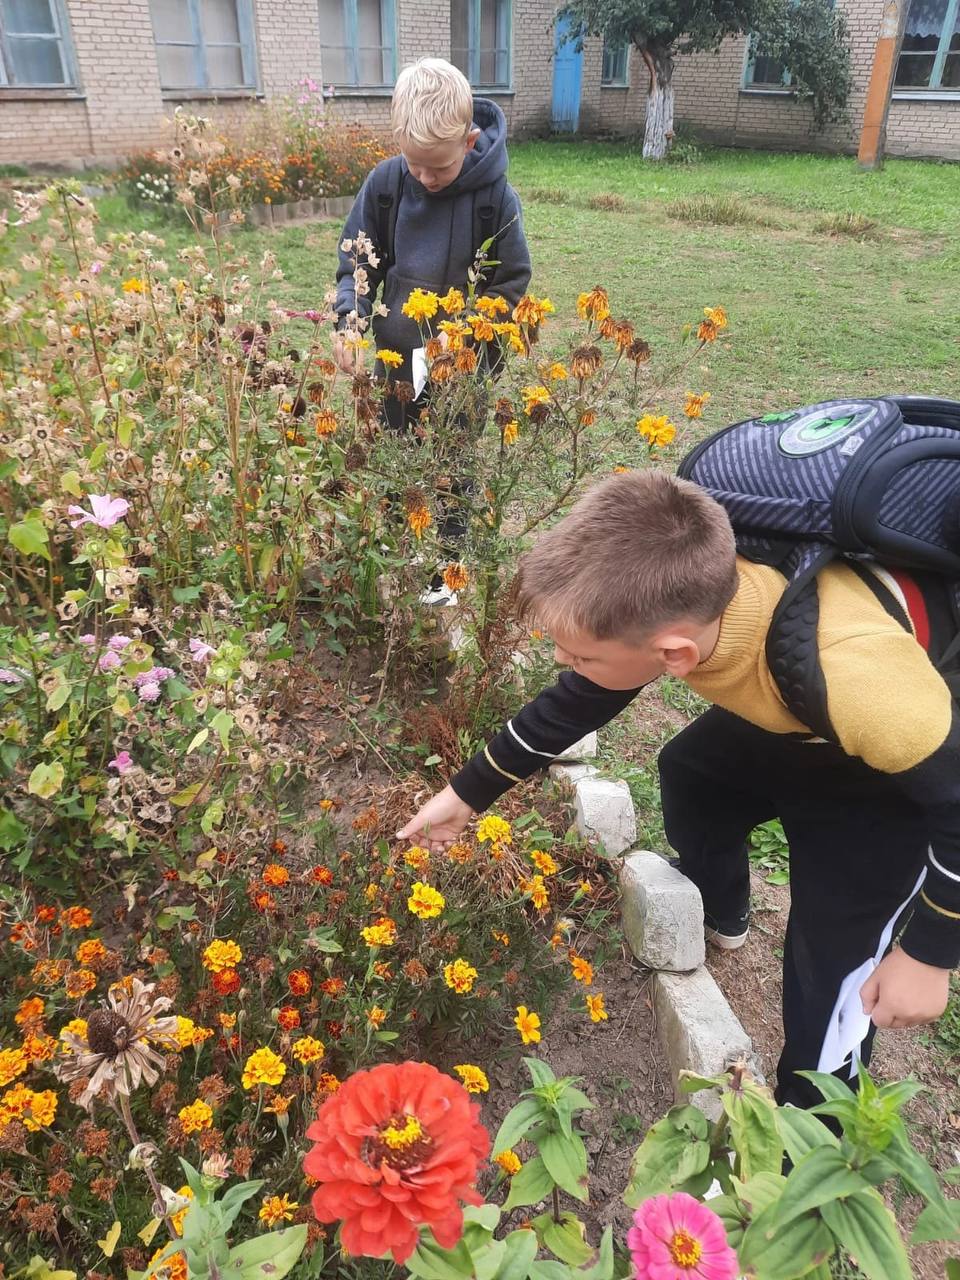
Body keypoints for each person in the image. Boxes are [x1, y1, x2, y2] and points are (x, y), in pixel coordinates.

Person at [396, 469, 957, 1109]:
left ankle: (813, 1139)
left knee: (830, 970)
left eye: (578, 656)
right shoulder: (677, 598)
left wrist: (929, 956)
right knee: (694, 775)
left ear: (675, 656)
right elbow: (578, 700)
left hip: (890, 783)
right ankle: (719, 910)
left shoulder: (856, 675)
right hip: (801, 718)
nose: (564, 665)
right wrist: (466, 794)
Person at [333, 58, 532, 600]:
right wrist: (351, 321)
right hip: (396, 361)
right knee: (396, 452)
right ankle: (405, 547)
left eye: (437, 169)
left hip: (461, 366)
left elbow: (510, 281)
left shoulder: (494, 200)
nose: (424, 178)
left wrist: (462, 335)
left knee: (454, 463)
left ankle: (449, 570)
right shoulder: (385, 185)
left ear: (469, 143)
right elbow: (359, 263)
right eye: (414, 164)